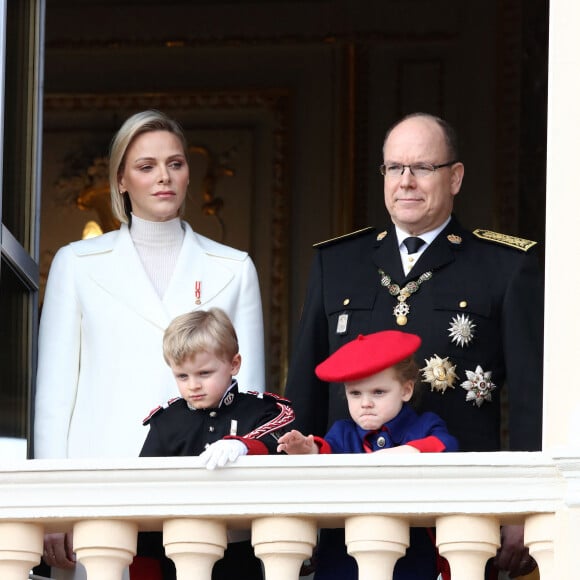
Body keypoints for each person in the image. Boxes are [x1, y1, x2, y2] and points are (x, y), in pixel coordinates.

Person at [284, 112, 543, 578]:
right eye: (394, 168)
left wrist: (522, 508)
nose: (406, 181)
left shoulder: (504, 266)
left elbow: (531, 397)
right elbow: (304, 389)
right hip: (346, 516)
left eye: (423, 168)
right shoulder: (337, 263)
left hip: (458, 516)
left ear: (455, 177)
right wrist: (292, 508)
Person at [34, 110, 266, 579]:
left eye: (175, 163)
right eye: (146, 166)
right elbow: (56, 395)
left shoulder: (233, 267)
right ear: (121, 179)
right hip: (98, 488)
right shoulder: (76, 264)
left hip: (201, 489)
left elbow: (249, 396)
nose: (164, 176)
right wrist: (50, 505)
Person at [279, 329, 458, 580]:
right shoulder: (342, 432)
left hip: (409, 560)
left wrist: (408, 451)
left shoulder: (424, 425)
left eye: (378, 392)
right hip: (343, 561)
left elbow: (446, 445)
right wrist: (307, 448)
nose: (365, 403)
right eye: (355, 393)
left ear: (406, 390)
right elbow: (327, 453)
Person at [139, 307, 295, 580]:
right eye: (182, 376)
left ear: (234, 364)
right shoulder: (166, 421)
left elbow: (280, 442)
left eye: (204, 373)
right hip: (177, 553)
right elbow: (145, 492)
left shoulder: (260, 412)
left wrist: (244, 445)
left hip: (241, 553)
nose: (193, 386)